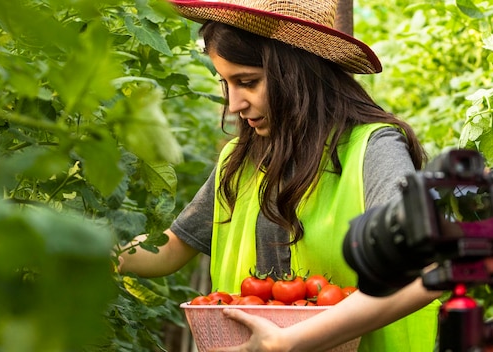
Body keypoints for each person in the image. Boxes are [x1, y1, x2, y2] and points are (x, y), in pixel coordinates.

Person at [118, 0, 442, 350]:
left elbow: (425, 273)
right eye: (227, 83)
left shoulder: (372, 148)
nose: (234, 105)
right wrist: (101, 253)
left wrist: (288, 342)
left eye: (248, 82)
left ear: (296, 72)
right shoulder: (239, 161)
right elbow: (169, 249)